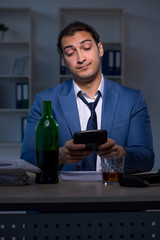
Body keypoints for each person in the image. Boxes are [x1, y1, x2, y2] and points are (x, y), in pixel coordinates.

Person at [20, 21, 154, 174]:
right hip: (64, 194)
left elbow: (147, 159)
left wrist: (121, 154)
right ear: (64, 60)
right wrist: (60, 155)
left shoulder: (132, 99)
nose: (80, 58)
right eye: (70, 53)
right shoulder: (44, 100)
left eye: (86, 48)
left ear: (100, 49)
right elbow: (26, 158)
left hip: (115, 191)